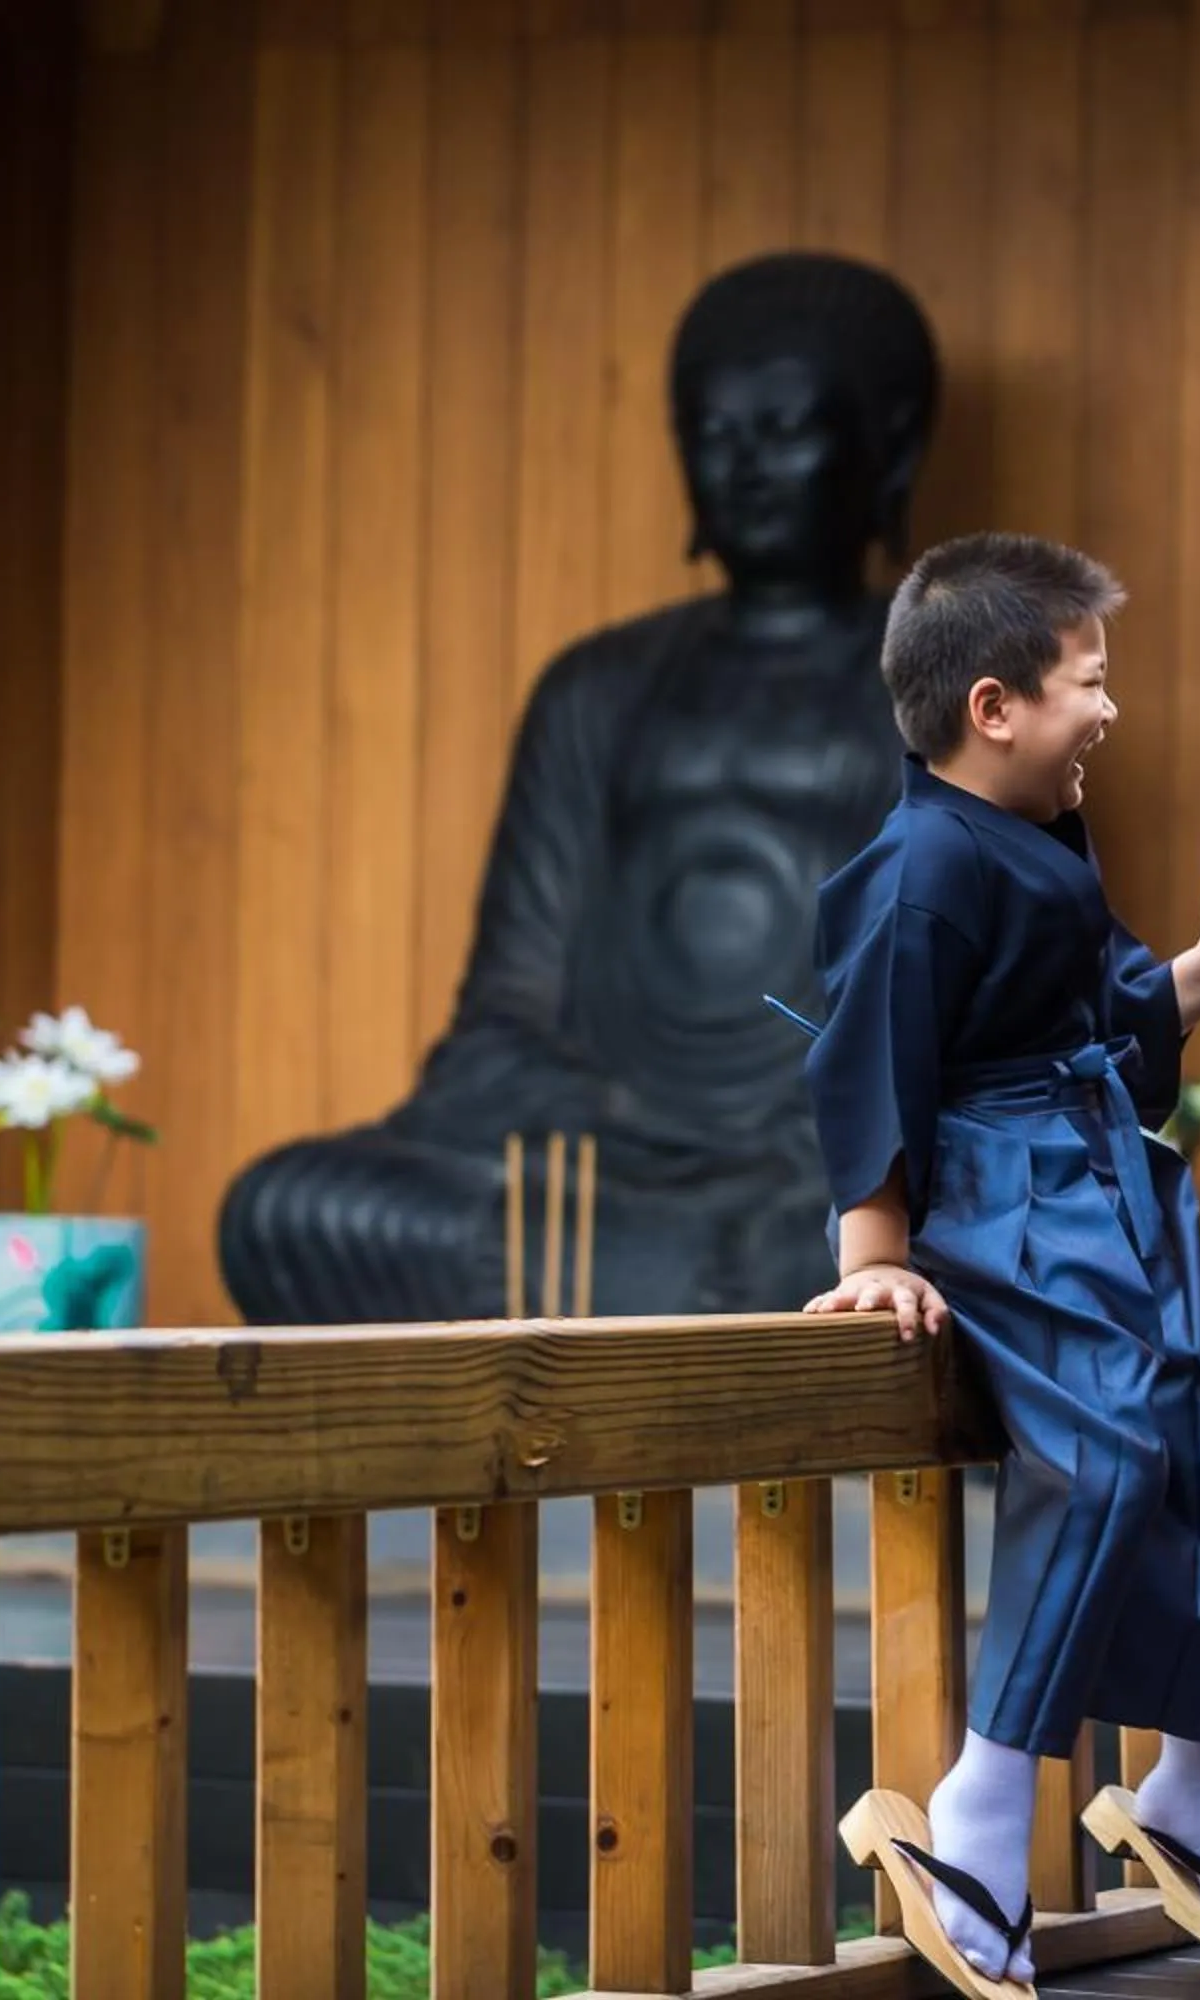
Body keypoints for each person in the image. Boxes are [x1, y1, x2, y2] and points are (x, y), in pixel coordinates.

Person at [217, 252, 936, 1325]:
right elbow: (507, 1003)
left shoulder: (949, 686)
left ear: (887, 443)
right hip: (599, 1158)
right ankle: (684, 1302)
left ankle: (670, 1296)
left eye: (785, 430)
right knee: (289, 1207)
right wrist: (613, 1112)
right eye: (714, 432)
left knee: (907, 1226)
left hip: (808, 1168)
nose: (743, 466)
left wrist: (824, 1140)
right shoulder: (596, 689)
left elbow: (968, 992)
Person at [811, 533, 1200, 2000]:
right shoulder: (914, 866)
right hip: (1000, 1189)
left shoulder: (1036, 837)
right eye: (1090, 682)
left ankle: (1196, 1790)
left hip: (1096, 1175)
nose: (1108, 710)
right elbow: (866, 1057)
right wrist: (876, 1249)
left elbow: (1105, 1013)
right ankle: (977, 1816)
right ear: (992, 707)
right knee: (1098, 1457)